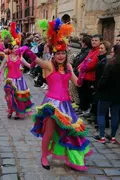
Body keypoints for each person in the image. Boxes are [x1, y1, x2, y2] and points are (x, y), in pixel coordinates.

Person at [29, 19, 91, 171]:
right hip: (52, 104)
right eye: (58, 53)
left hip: (66, 105)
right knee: (49, 132)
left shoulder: (69, 66)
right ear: (54, 54)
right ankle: (44, 156)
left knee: (71, 130)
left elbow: (77, 83)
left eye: (63, 53)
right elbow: (37, 61)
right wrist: (26, 51)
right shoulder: (49, 65)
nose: (61, 56)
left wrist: (83, 73)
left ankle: (72, 159)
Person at [0, 43, 33, 119]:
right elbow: (1, 67)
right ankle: (10, 110)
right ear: (11, 49)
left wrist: (35, 59)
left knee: (18, 97)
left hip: (19, 80)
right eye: (15, 48)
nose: (17, 49)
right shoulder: (7, 58)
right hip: (10, 81)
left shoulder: (20, 58)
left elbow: (29, 65)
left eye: (18, 48)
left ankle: (18, 112)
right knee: (9, 97)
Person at [94, 44, 120, 144]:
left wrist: (98, 89)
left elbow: (103, 79)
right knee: (115, 115)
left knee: (101, 113)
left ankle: (102, 136)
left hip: (106, 93)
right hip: (118, 95)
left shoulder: (110, 64)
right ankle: (113, 136)